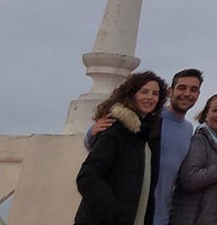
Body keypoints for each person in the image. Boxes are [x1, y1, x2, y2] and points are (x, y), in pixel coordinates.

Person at [86, 67, 203, 225]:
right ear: (170, 91)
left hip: (160, 216)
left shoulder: (189, 130)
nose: (187, 94)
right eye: (182, 87)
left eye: (193, 89)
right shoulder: (150, 120)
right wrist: (92, 132)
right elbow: (98, 150)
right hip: (128, 214)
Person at [75, 70, 169, 225]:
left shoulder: (149, 134)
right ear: (131, 94)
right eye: (144, 92)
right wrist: (116, 213)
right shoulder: (115, 128)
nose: (150, 97)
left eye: (155, 93)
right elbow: (87, 176)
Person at [171, 92, 217, 225]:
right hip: (194, 219)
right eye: (215, 110)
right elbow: (190, 179)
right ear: (206, 115)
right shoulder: (199, 141)